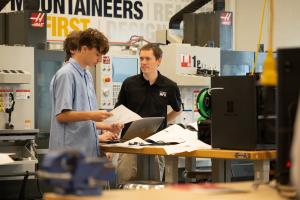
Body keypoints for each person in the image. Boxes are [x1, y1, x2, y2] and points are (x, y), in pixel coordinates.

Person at [49, 28, 123, 157]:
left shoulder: (87, 75)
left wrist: (107, 126)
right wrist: (92, 115)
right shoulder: (66, 74)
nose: (100, 59)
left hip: (87, 151)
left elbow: (83, 120)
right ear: (83, 49)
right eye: (97, 54)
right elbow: (61, 115)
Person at [115, 43, 182, 184]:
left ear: (158, 61)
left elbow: (177, 109)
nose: (143, 62)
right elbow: (118, 111)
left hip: (156, 144)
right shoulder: (129, 84)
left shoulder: (169, 86)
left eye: (148, 59)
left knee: (154, 186)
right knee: (125, 185)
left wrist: (163, 122)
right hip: (129, 144)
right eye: (141, 59)